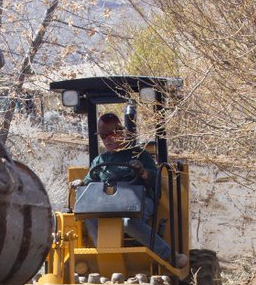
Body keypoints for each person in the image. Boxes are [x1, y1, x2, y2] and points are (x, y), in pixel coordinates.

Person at [76, 112, 187, 268]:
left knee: (128, 222)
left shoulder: (139, 154)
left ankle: (168, 255)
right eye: (103, 136)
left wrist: (142, 172)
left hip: (139, 201)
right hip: (107, 204)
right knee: (88, 215)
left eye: (111, 134)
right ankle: (101, 255)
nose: (107, 139)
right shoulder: (99, 160)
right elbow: (88, 183)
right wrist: (79, 183)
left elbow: (155, 179)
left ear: (121, 133)